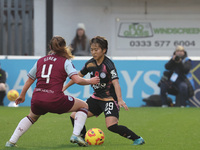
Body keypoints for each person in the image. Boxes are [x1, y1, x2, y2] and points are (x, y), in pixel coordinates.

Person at [5, 36, 100, 147]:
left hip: (37, 98)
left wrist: (22, 95)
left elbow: (29, 80)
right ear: (64, 47)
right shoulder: (65, 62)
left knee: (31, 117)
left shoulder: (40, 61)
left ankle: (11, 142)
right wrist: (91, 81)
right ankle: (76, 135)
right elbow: (77, 80)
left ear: (50, 47)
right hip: (55, 99)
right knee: (84, 106)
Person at [63, 36, 145, 145]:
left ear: (104, 50)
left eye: (96, 50)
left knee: (111, 126)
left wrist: (119, 100)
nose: (93, 52)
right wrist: (64, 87)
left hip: (109, 100)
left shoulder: (109, 65)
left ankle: (137, 139)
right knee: (74, 115)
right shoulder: (90, 64)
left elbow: (116, 83)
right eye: (92, 49)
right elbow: (77, 77)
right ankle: (81, 138)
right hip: (96, 98)